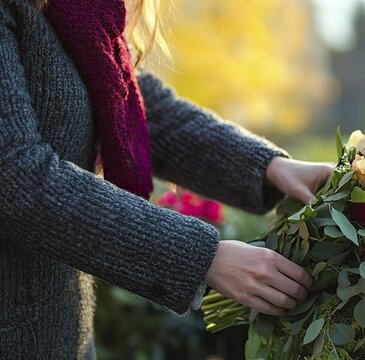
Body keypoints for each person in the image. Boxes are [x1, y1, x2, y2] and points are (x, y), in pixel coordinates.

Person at [0, 0, 333, 358]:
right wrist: (204, 257)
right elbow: (15, 176)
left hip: (61, 336)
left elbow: (132, 104)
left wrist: (273, 167)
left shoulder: (79, 8)